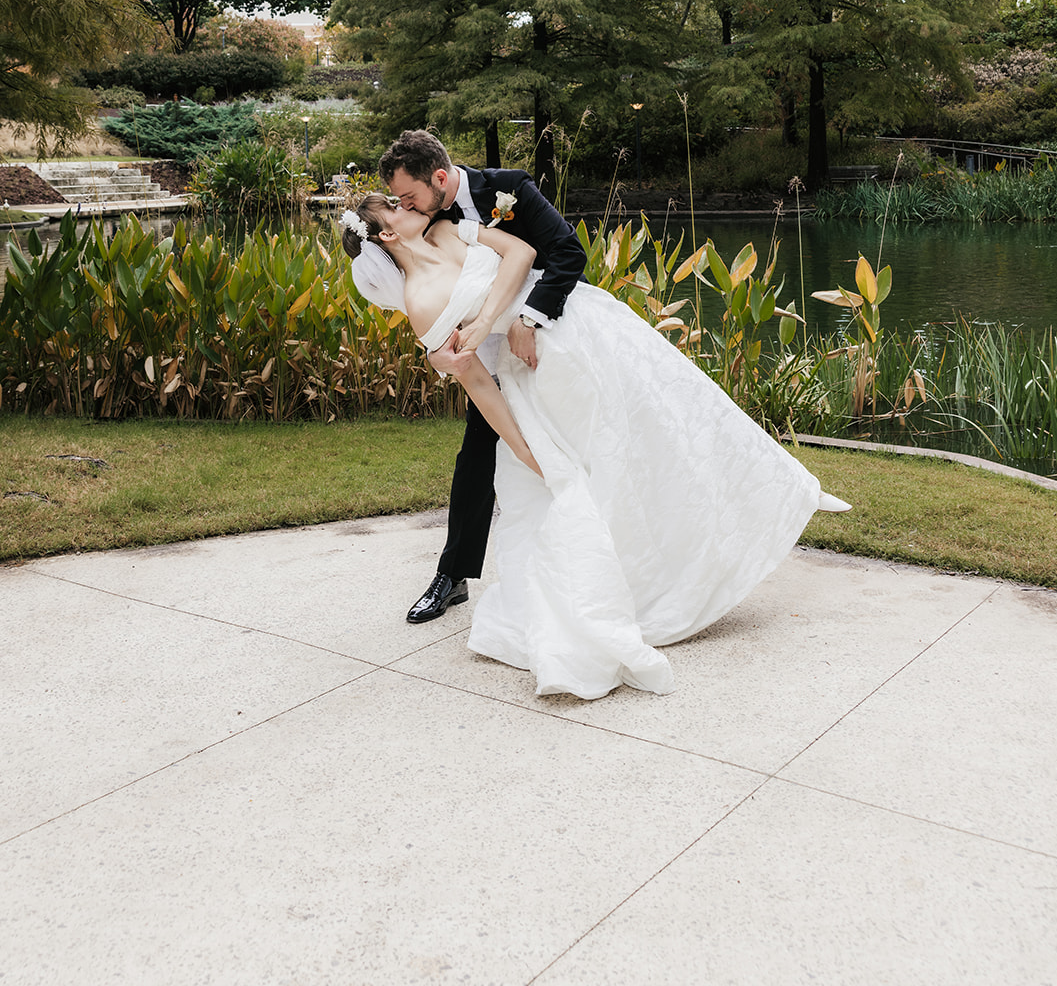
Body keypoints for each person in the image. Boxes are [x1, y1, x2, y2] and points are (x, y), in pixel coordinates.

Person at [342, 193, 851, 702]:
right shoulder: (421, 300)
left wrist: (493, 320)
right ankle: (627, 590)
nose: (408, 204)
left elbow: (520, 254)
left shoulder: (448, 231)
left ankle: (779, 490)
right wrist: (522, 449)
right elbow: (476, 382)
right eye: (396, 206)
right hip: (540, 373)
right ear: (387, 234)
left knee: (681, 417)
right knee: (591, 478)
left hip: (584, 328)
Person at [349, 130, 587, 625]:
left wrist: (529, 319)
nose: (405, 204)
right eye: (399, 201)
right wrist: (441, 349)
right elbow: (431, 298)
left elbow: (566, 252)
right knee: (478, 454)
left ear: (438, 178)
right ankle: (452, 575)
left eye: (408, 196)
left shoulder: (508, 189)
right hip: (490, 357)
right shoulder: (427, 223)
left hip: (551, 327)